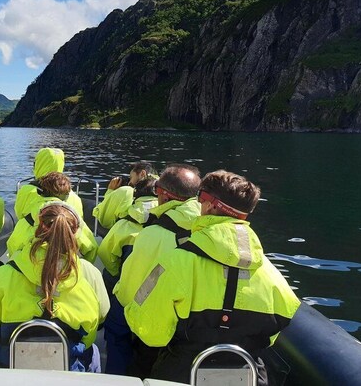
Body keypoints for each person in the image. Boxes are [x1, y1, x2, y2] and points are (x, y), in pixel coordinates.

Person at [123, 171, 301, 384]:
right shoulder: (274, 276)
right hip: (249, 376)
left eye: (200, 200)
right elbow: (271, 335)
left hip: (182, 375)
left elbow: (150, 333)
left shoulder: (176, 261)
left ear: (210, 206)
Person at [0, 202, 104, 371]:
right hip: (66, 376)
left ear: (38, 227)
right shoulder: (84, 283)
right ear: (75, 233)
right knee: (94, 352)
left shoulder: (0, 278)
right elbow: (89, 337)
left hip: (9, 375)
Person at [114, 164, 202, 376]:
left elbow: (130, 293)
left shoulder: (154, 234)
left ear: (162, 194)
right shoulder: (211, 227)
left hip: (162, 335)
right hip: (204, 332)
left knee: (116, 324)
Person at [96, 177, 157, 375]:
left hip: (126, 293)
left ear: (135, 196)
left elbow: (105, 254)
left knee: (116, 334)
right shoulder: (178, 227)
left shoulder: (123, 225)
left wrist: (119, 275)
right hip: (157, 297)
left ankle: (117, 376)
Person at [7, 172, 98, 263]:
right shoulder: (74, 221)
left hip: (31, 269)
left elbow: (12, 246)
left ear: (41, 192)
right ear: (66, 196)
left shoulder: (27, 219)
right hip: (66, 272)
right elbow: (91, 248)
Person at [14, 147, 84, 219]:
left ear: (38, 164)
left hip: (36, 229)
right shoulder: (74, 197)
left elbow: (19, 214)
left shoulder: (26, 191)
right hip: (68, 229)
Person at [93, 161, 158, 230]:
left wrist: (110, 191)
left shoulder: (127, 191)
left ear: (142, 174)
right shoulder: (160, 197)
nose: (129, 182)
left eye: (131, 177)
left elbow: (105, 221)